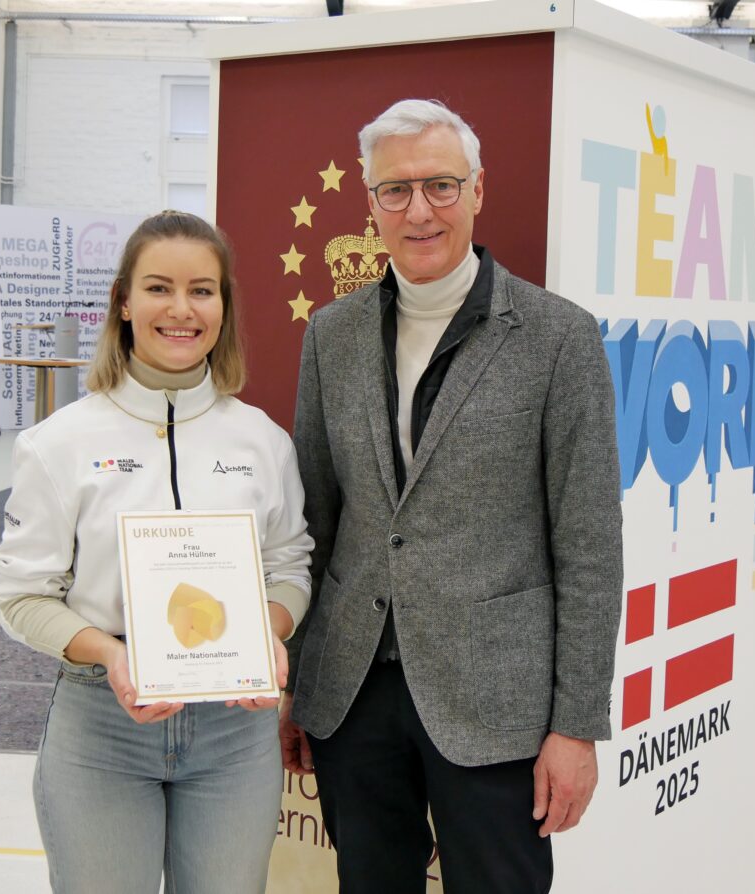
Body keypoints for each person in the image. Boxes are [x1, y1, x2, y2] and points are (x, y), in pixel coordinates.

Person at [280, 99, 623, 893]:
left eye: (440, 184)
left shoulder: (557, 337)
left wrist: (576, 725)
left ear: (477, 191)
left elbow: (590, 550)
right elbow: (316, 522)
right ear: (370, 206)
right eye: (395, 191)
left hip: (495, 702)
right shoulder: (331, 334)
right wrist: (300, 680)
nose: (419, 209)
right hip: (354, 692)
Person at [0, 210, 313, 893]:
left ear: (223, 306)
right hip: (102, 727)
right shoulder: (60, 443)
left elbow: (291, 566)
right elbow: (22, 595)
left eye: (202, 289)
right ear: (124, 301)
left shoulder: (261, 441)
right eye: (159, 287)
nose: (181, 309)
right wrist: (111, 655)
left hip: (233, 735)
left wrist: (268, 631)